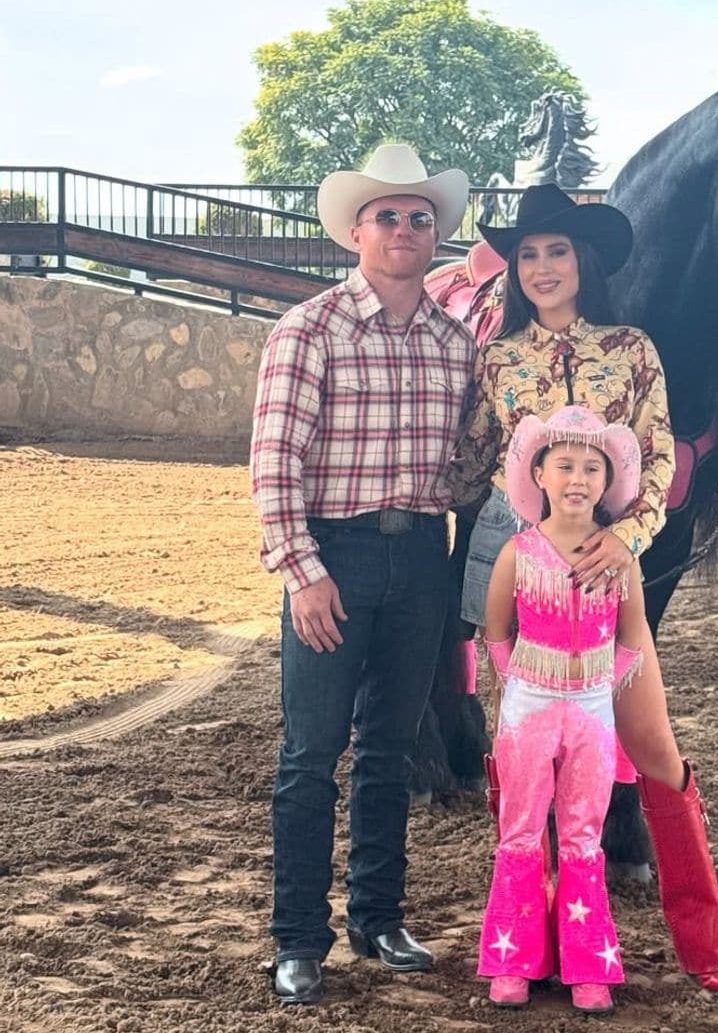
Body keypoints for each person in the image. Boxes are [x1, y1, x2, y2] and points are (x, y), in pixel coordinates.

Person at [452, 183, 718, 995]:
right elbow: (472, 463)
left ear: (584, 260)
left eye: (558, 250)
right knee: (528, 769)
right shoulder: (499, 359)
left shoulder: (633, 350)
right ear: (515, 267)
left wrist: (627, 538)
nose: (543, 267)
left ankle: (705, 945)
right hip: (526, 578)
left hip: (612, 584)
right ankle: (538, 948)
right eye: (530, 254)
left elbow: (655, 460)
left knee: (654, 751)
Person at [251, 144, 476, 1005]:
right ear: (357, 230)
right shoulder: (307, 329)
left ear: (433, 235)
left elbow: (474, 460)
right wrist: (302, 573)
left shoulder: (457, 345)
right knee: (311, 753)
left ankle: (378, 918)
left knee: (390, 750)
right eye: (388, 216)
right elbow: (275, 465)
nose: (405, 229)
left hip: (421, 554)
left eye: (420, 218)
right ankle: (298, 936)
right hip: (334, 557)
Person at [478, 405, 646, 1016]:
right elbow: (495, 632)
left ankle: (587, 964)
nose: (578, 479)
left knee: (582, 834)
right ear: (541, 475)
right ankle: (512, 960)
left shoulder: (620, 560)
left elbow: (633, 637)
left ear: (606, 483)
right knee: (521, 829)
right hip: (530, 708)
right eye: (565, 465)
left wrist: (599, 686)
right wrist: (524, 687)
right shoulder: (517, 554)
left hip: (593, 712)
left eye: (591, 468)